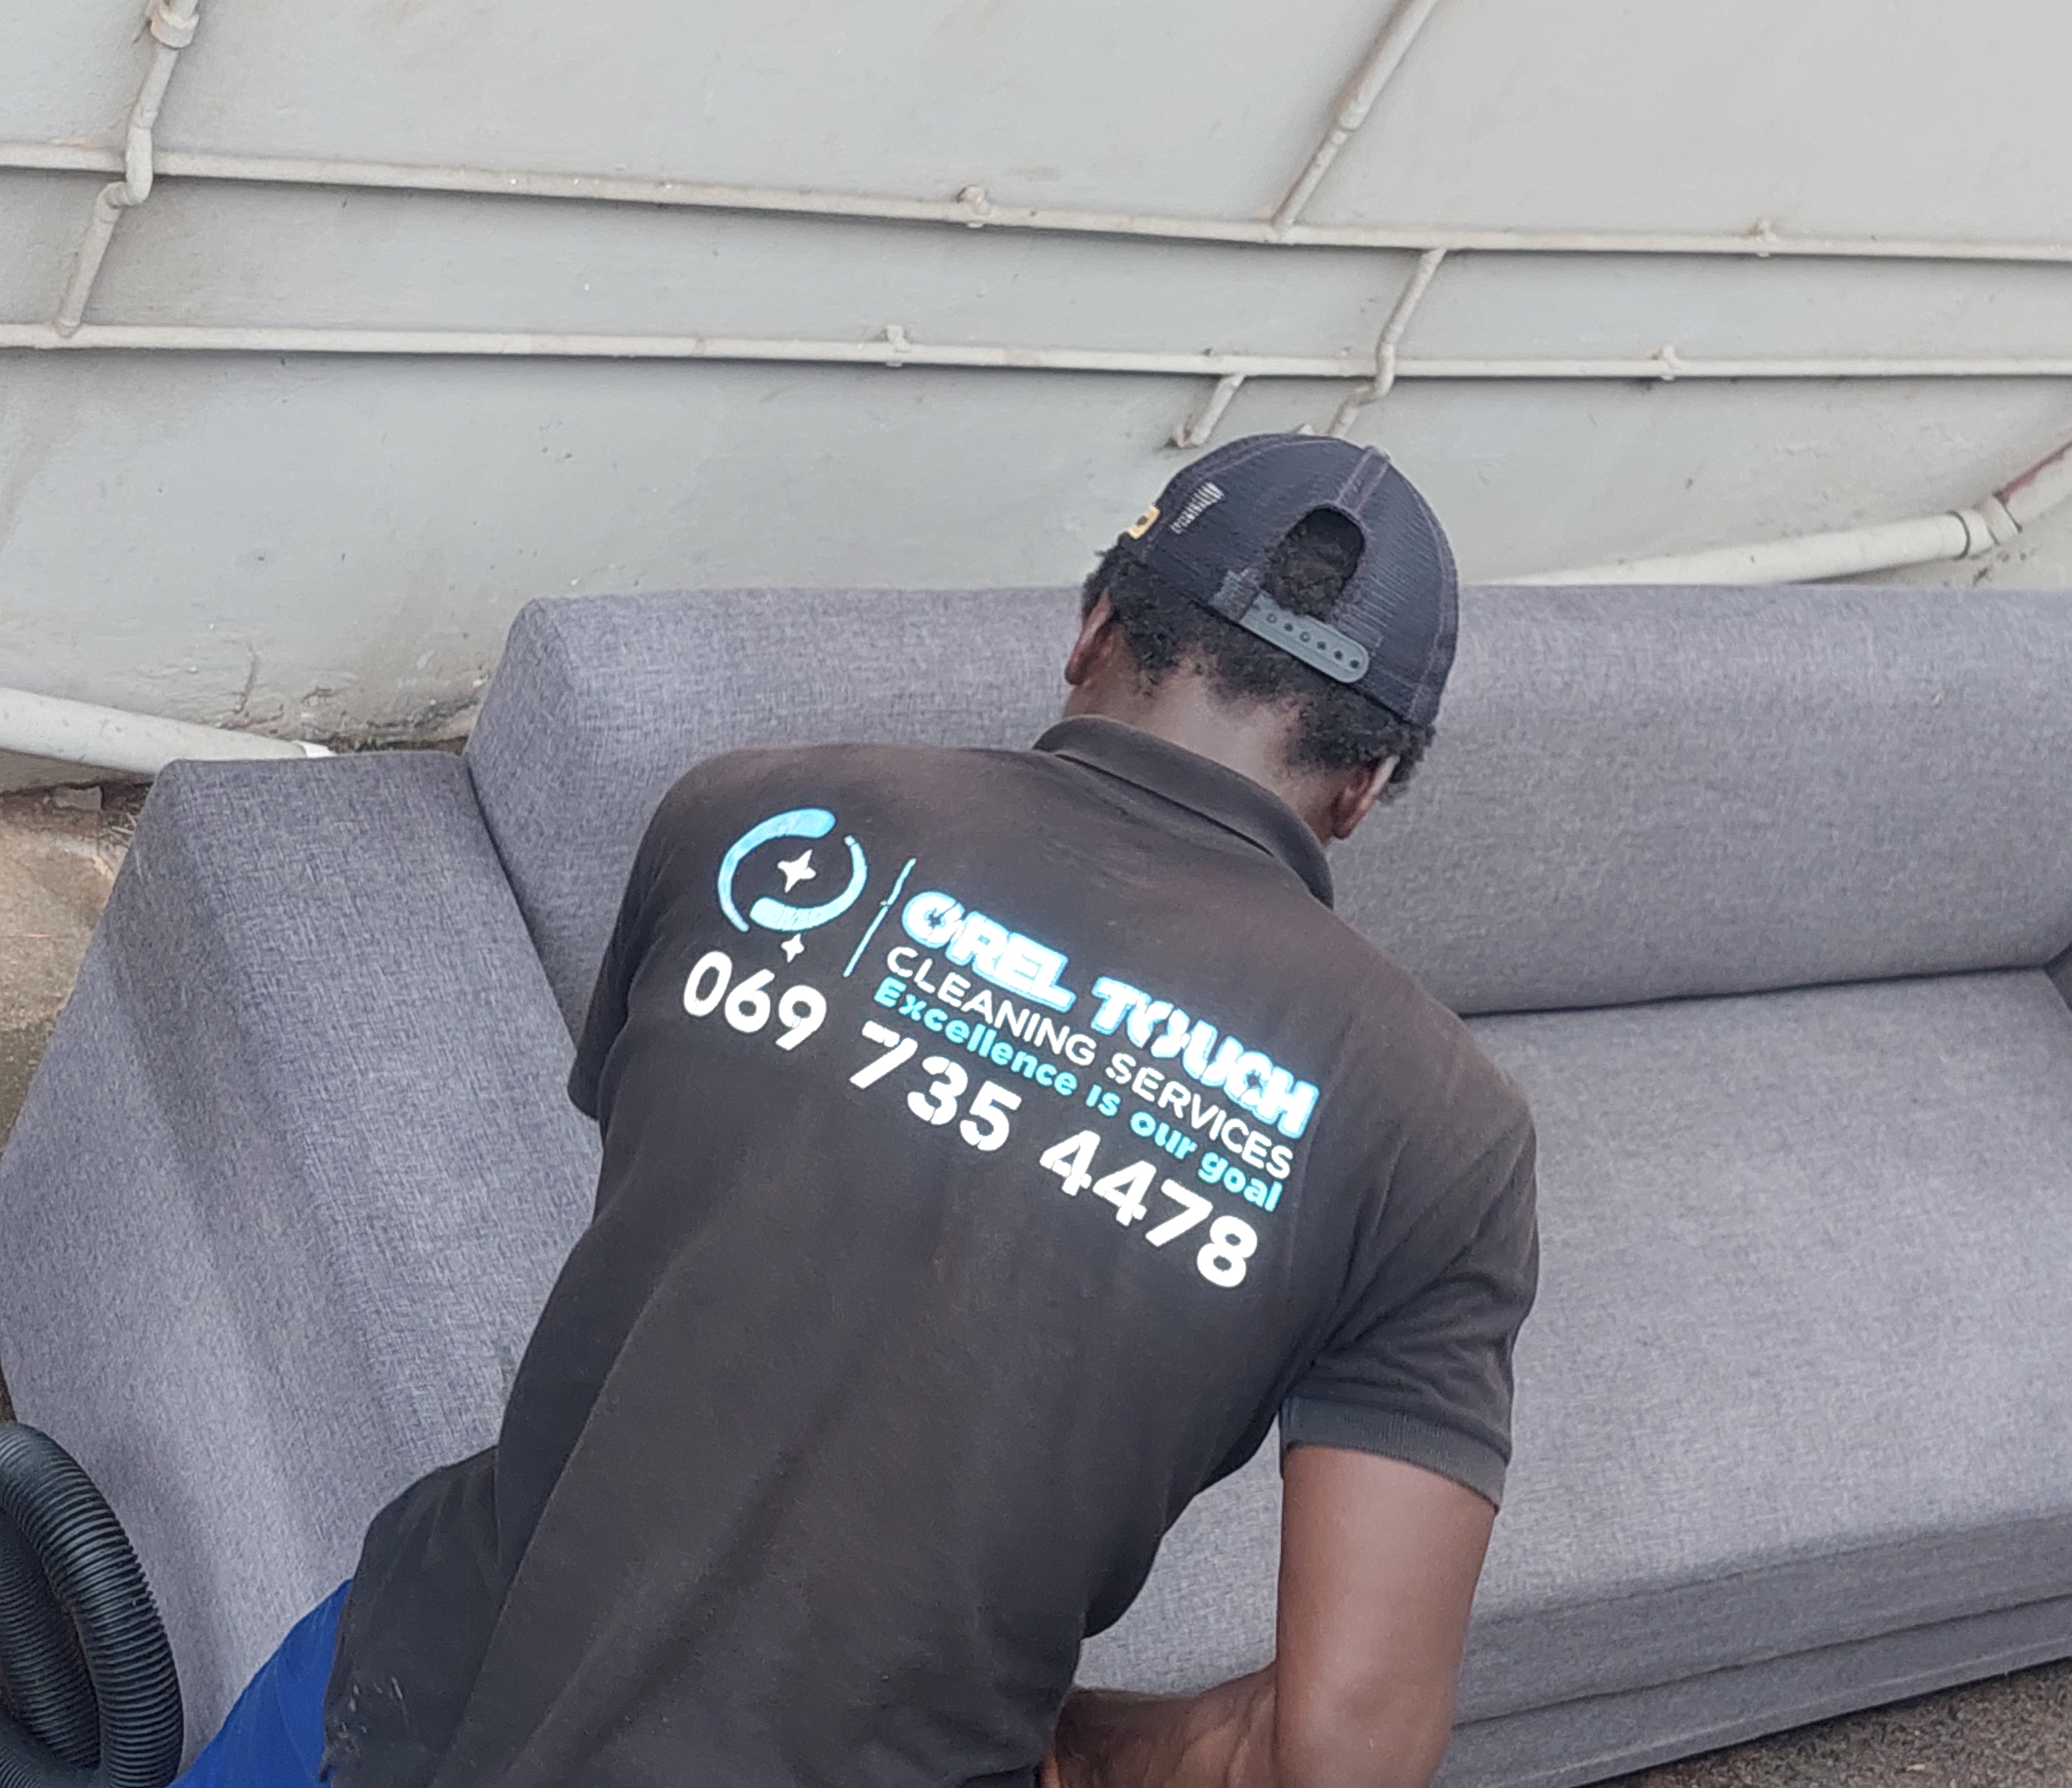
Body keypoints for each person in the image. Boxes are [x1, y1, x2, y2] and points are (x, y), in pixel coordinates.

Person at [179, 432, 1538, 1788]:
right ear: (1363, 788)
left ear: (1094, 628)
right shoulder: (1440, 1132)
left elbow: (705, 1248)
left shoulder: (756, 813)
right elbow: (1342, 1748)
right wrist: (1099, 1745)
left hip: (404, 1688)